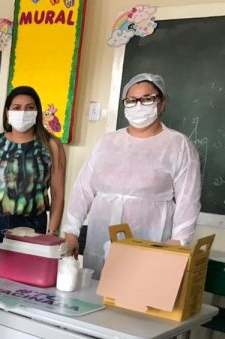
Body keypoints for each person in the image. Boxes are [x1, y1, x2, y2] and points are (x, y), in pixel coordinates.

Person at [62, 73, 201, 277]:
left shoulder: (178, 146)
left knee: (140, 290)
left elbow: (188, 203)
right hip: (100, 238)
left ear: (162, 103)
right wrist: (71, 231)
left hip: (150, 243)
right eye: (131, 100)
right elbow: (83, 190)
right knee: (96, 289)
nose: (138, 105)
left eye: (147, 99)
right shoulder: (107, 142)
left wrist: (179, 245)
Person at [0, 85, 66, 250]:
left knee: (25, 267)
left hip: (32, 226)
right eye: (17, 108)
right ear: (7, 112)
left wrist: (52, 232)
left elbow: (58, 194)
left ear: (37, 112)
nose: (23, 112)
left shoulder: (51, 146)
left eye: (29, 108)